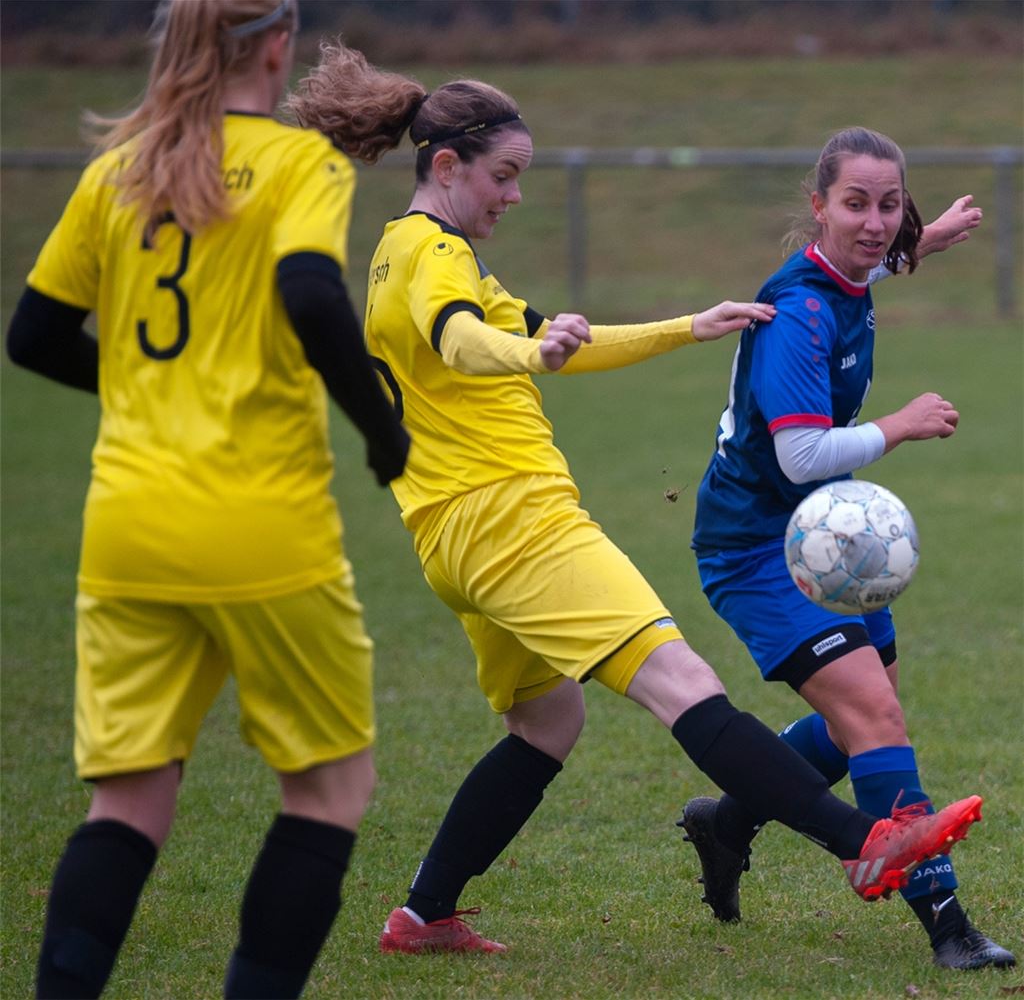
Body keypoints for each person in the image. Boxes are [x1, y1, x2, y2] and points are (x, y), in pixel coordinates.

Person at [288, 47, 984, 957]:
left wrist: (687, 326)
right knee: (681, 683)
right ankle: (867, 841)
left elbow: (556, 338)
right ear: (446, 166)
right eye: (504, 177)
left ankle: (424, 913)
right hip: (516, 523)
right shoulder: (434, 256)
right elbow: (461, 341)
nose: (516, 196)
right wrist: (524, 357)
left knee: (548, 721)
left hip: (447, 534)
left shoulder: (401, 250)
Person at [5, 2, 410, 998]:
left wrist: (152, 388)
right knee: (327, 786)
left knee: (129, 800)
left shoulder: (118, 169)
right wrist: (383, 429)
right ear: (277, 46)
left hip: (127, 526)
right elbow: (313, 295)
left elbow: (33, 335)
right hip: (258, 521)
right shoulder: (298, 164)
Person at [683, 126, 1014, 970]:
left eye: (890, 204)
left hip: (824, 535)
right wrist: (897, 426)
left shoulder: (851, 271)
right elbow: (799, 455)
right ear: (817, 205)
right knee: (875, 715)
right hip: (758, 545)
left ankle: (727, 821)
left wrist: (918, 244)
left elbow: (872, 262)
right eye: (855, 203)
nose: (873, 220)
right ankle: (947, 923)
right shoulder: (798, 312)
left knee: (856, 720)